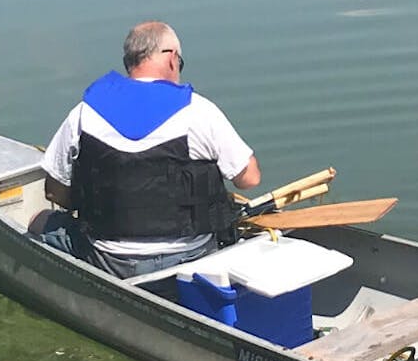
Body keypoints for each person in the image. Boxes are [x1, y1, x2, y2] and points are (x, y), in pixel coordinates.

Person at [37, 21, 262, 278]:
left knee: (39, 221)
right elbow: (249, 179)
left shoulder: (85, 112)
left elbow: (54, 191)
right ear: (172, 59)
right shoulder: (199, 111)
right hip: (192, 256)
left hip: (108, 259)